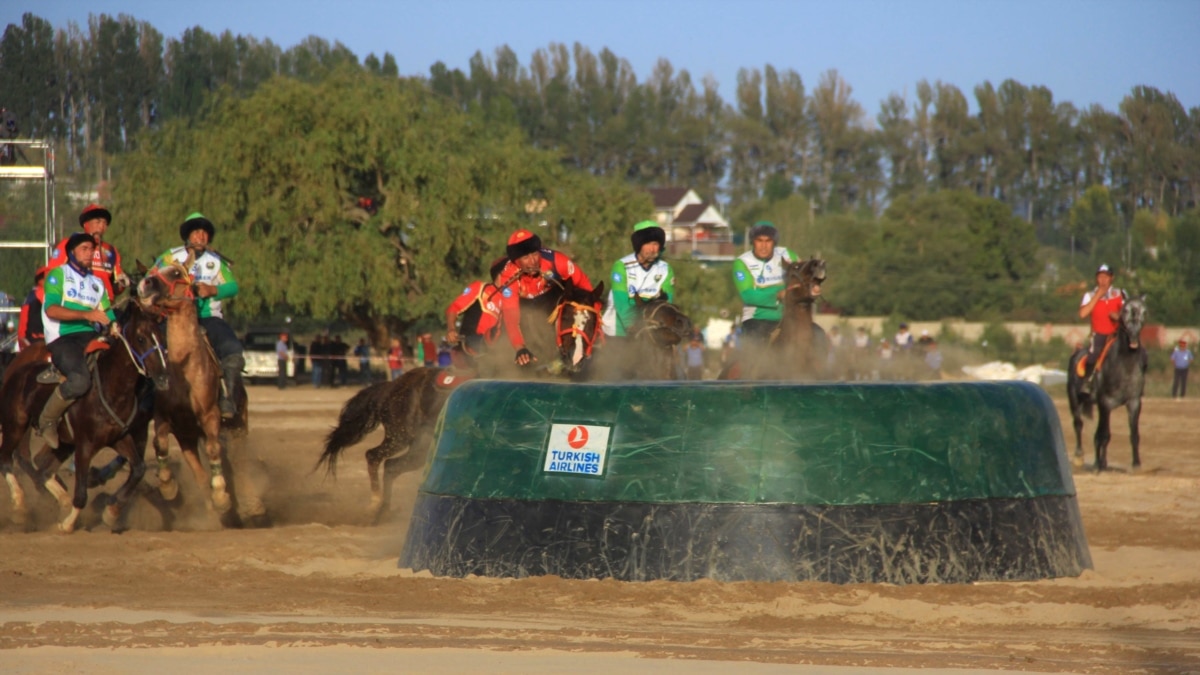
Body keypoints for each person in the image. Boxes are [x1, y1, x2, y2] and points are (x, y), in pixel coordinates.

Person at [153, 212, 244, 419]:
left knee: (234, 354)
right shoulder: (170, 257)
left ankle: (227, 398)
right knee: (151, 350)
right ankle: (149, 399)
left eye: (204, 233)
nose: (201, 237)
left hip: (208, 316)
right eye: (196, 233)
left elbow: (233, 287)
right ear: (188, 236)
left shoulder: (216, 262)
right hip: (175, 318)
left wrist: (213, 290)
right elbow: (152, 278)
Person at [35, 232, 117, 449]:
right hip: (63, 338)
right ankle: (47, 421)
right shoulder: (57, 275)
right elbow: (51, 309)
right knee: (80, 381)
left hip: (91, 336)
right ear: (72, 252)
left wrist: (114, 325)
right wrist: (86, 315)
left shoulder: (98, 283)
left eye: (92, 249)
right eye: (84, 249)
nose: (90, 253)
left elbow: (107, 313)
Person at [494, 228, 595, 367]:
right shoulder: (508, 276)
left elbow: (585, 285)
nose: (533, 262)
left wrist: (595, 321)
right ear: (516, 261)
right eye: (526, 258)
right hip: (525, 307)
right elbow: (511, 318)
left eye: (535, 254)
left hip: (554, 300)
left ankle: (573, 351)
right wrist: (520, 348)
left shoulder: (557, 261)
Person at [603, 220, 676, 337]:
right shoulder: (621, 266)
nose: (652, 249)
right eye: (648, 244)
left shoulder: (666, 269)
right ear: (638, 245)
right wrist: (634, 329)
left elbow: (666, 304)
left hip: (651, 332)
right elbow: (622, 304)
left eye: (656, 244)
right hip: (619, 331)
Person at [47, 203, 129, 302]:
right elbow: (51, 274)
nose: (101, 227)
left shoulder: (111, 251)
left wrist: (123, 283)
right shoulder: (69, 244)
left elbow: (116, 288)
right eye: (98, 222)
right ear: (86, 224)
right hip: (78, 305)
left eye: (105, 223)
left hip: (106, 309)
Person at [731, 221, 795, 345]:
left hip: (788, 318)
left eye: (768, 241)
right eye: (759, 240)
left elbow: (802, 277)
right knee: (756, 348)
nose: (763, 246)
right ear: (752, 242)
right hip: (757, 319)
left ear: (774, 242)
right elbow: (748, 295)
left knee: (818, 334)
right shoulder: (742, 263)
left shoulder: (787, 255)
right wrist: (778, 295)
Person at [445, 257, 508, 362]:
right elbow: (454, 308)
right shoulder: (480, 288)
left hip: (495, 349)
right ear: (500, 273)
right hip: (471, 345)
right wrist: (451, 330)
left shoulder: (511, 300)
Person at [1076, 263, 1124, 380]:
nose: (1103, 280)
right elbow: (1082, 314)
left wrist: (1118, 316)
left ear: (1112, 278)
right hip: (1099, 334)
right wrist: (1098, 295)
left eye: (1106, 277)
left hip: (1117, 334)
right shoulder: (1089, 295)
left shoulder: (1120, 294)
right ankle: (1087, 381)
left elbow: (1128, 313)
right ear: (1096, 279)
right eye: (1100, 277)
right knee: (1093, 356)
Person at [17, 266, 49, 349]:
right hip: (37, 338)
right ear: (40, 280)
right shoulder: (40, 293)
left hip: (28, 339)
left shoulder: (32, 294)